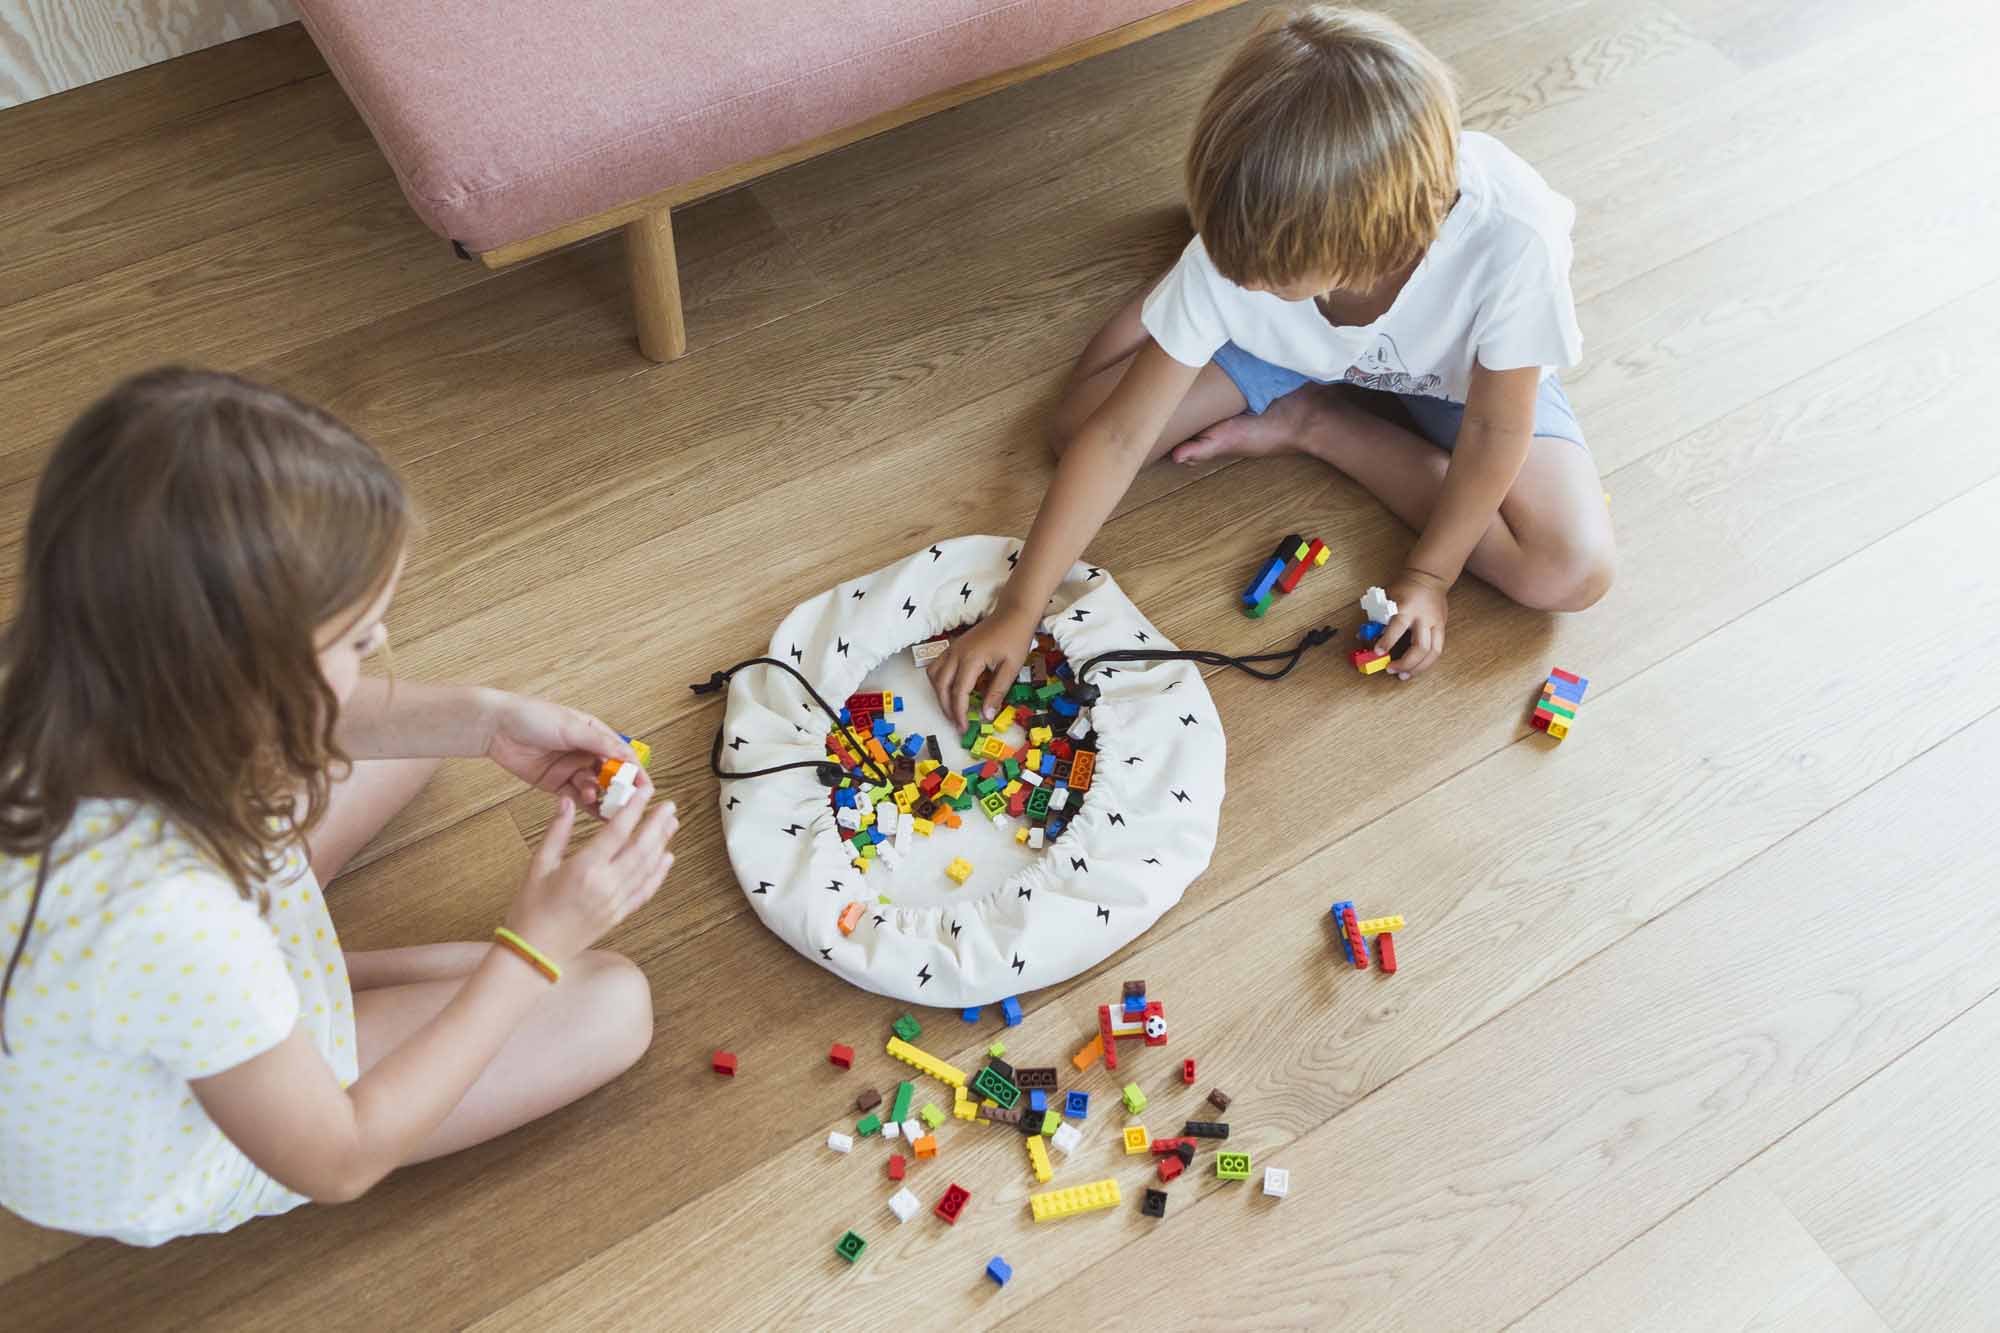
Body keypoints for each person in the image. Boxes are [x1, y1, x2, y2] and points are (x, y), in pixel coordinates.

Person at [0, 368, 677, 1245]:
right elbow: (339, 1159)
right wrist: (533, 945)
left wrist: (485, 722)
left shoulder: (57, 670)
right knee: (612, 1002)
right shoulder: (172, 922)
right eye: (358, 637)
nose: (381, 642)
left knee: (416, 743)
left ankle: (316, 985)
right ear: (243, 680)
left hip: (140, 965)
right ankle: (311, 997)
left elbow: (316, 721)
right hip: (220, 1124)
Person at [931, 4, 1613, 717]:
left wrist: (1429, 575)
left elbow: (1495, 432)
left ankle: (1315, 422)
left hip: (1458, 381)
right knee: (1075, 429)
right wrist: (1020, 607)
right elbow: (1115, 436)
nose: (1242, 277)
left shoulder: (1513, 239)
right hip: (1292, 343)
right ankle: (1185, 305)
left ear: (1371, 244)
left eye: (1262, 270)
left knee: (1569, 570)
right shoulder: (1251, 265)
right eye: (1230, 259)